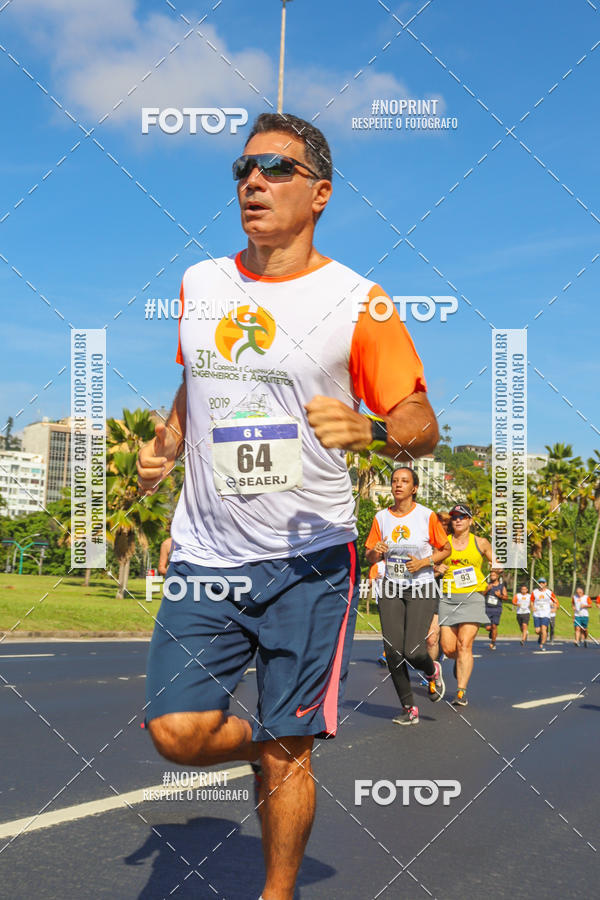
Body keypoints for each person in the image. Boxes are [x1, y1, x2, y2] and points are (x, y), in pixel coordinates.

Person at [136, 112, 439, 900]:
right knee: (177, 732)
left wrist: (371, 429)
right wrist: (168, 441)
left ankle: (277, 894)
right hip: (206, 551)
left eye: (274, 168)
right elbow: (195, 377)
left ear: (321, 193)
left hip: (309, 561)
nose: (253, 182)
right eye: (242, 169)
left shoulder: (357, 301)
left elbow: (421, 423)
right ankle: (259, 746)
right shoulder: (201, 282)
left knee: (291, 747)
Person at [365, 468, 450, 724]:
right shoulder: (381, 518)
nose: (398, 485)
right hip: (391, 587)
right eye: (394, 481)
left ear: (414, 488)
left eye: (404, 481)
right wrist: (375, 551)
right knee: (392, 652)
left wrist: (424, 562)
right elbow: (369, 555)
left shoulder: (426, 516)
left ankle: (431, 669)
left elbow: (444, 549)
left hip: (421, 587)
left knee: (413, 651)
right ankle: (408, 708)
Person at [438, 504, 498, 707]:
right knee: (448, 649)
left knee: (465, 644)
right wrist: (437, 566)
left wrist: (496, 567)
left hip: (472, 597)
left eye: (462, 517)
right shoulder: (443, 543)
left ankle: (461, 692)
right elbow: (430, 563)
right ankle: (458, 661)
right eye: (454, 517)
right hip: (448, 597)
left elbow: (497, 563)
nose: (458, 520)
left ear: (470, 521)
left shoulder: (480, 542)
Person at [427, 510, 451, 663]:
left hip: (446, 592)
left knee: (433, 637)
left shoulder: (454, 544)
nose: (442, 527)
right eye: (439, 523)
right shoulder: (425, 543)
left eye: (445, 525)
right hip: (422, 590)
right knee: (428, 637)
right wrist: (434, 570)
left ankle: (432, 673)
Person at [484, 569, 507, 650]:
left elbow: (506, 597)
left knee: (494, 626)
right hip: (487, 608)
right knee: (488, 628)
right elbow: (482, 594)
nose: (492, 576)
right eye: (491, 575)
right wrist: (487, 589)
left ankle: (493, 643)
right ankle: (491, 632)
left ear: (497, 576)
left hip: (497, 609)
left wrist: (499, 595)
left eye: (493, 575)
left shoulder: (501, 586)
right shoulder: (487, 584)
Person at [531, 578, 554, 650]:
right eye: (540, 583)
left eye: (543, 583)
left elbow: (555, 601)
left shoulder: (549, 592)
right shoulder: (535, 592)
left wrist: (554, 607)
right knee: (537, 631)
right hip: (537, 613)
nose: (541, 584)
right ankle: (542, 635)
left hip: (546, 614)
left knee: (544, 629)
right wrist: (532, 607)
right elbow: (531, 601)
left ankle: (542, 644)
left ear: (545, 584)